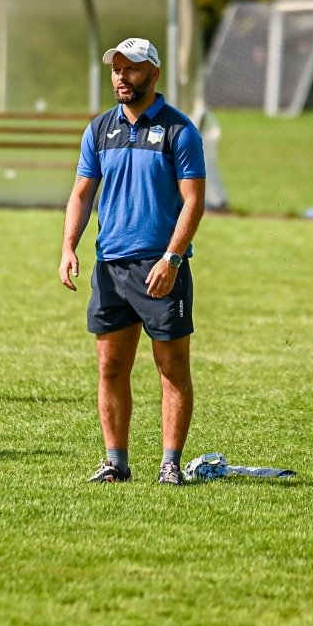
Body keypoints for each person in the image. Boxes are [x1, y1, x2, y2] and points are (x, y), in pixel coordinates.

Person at [60, 37, 207, 486]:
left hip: (163, 268)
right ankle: (115, 462)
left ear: (154, 74)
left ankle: (169, 465)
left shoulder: (180, 131)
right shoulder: (99, 129)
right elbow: (82, 194)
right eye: (116, 69)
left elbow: (194, 201)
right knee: (110, 368)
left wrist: (172, 258)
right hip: (111, 269)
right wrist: (69, 246)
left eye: (132, 69)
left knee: (172, 368)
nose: (122, 77)